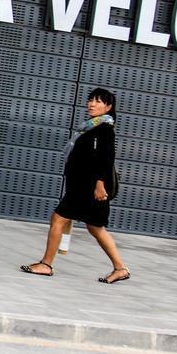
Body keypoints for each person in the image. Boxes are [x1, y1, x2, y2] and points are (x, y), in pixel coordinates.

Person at [21, 88, 130, 284]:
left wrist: (99, 185)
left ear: (108, 107)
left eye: (97, 101)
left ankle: (46, 264)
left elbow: (106, 159)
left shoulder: (104, 129)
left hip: (89, 189)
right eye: (90, 100)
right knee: (96, 228)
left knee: (58, 219)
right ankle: (120, 268)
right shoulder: (91, 127)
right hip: (82, 187)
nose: (91, 104)